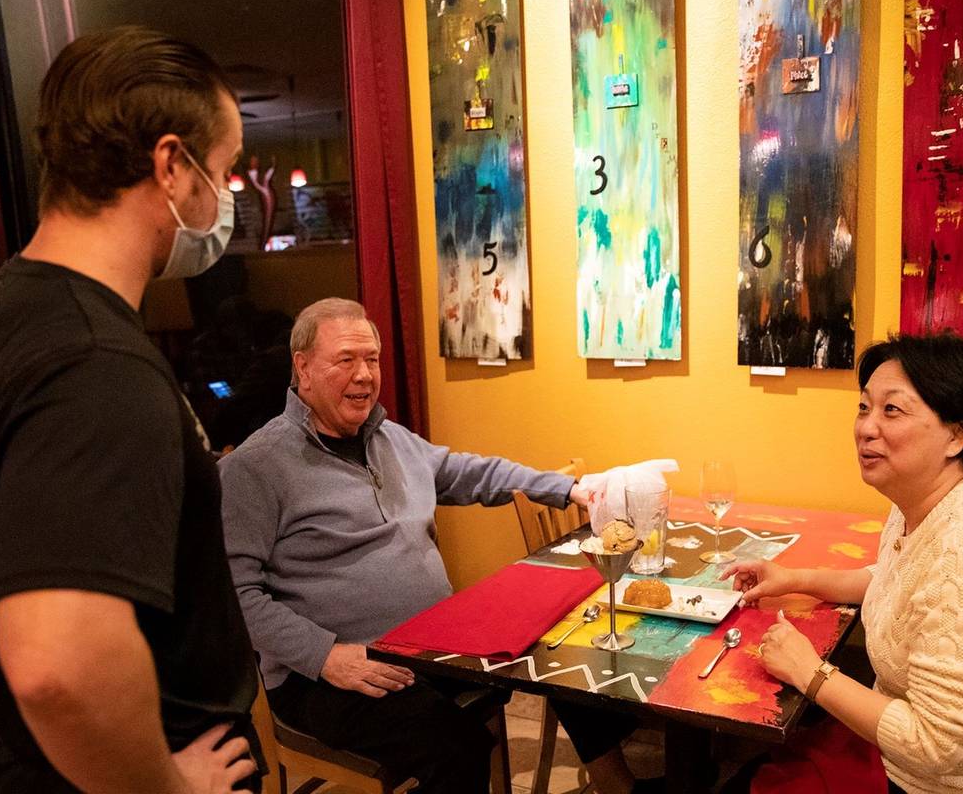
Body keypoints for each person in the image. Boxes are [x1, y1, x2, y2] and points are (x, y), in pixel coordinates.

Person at [0, 27, 260, 793]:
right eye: (222, 173)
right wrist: (167, 784)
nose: (223, 200)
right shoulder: (97, 367)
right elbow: (58, 667)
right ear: (170, 165)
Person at [219, 297, 657, 794]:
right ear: (302, 368)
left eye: (372, 359)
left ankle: (618, 784)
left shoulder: (389, 439)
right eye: (346, 359)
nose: (364, 375)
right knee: (458, 750)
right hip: (331, 672)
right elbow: (235, 595)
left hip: (431, 644)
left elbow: (472, 472)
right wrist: (325, 656)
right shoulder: (254, 468)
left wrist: (567, 489)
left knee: (560, 648)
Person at [722, 332, 963, 794]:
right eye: (864, 407)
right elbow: (899, 579)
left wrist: (809, 671)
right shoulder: (920, 501)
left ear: (957, 435)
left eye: (891, 410)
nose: (865, 427)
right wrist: (795, 578)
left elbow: (936, 745)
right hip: (926, 761)